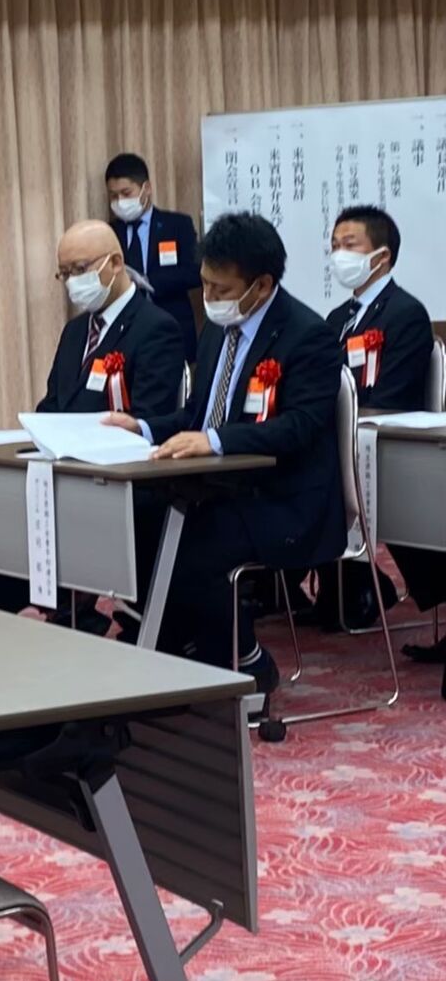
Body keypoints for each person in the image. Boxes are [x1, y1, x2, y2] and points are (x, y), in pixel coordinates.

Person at [105, 212, 347, 690]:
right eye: (205, 285)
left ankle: (247, 662)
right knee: (137, 519)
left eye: (221, 288)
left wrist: (216, 440)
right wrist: (143, 427)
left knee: (192, 549)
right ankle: (174, 647)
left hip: (281, 498)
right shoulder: (218, 328)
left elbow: (298, 427)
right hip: (217, 488)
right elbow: (197, 415)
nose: (211, 297)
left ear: (262, 284)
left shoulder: (307, 336)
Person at [0, 219, 185, 636]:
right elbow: (52, 405)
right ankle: (49, 608)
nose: (71, 282)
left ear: (115, 263)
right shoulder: (75, 332)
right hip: (63, 469)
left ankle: (69, 608)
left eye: (80, 270)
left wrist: (121, 429)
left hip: (118, 477)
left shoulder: (156, 327)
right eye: (64, 273)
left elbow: (152, 416)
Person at [312, 205, 435, 629]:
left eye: (349, 245)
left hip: (387, 439)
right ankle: (342, 584)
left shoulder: (405, 313)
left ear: (381, 256)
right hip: (343, 434)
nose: (338, 255)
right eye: (334, 246)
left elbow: (394, 394)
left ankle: (359, 583)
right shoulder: (337, 319)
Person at [106, 153, 200, 362]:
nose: (120, 201)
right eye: (113, 196)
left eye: (126, 193)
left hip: (173, 325)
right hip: (127, 333)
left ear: (146, 188)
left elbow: (194, 272)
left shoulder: (177, 224)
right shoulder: (109, 232)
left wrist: (148, 281)